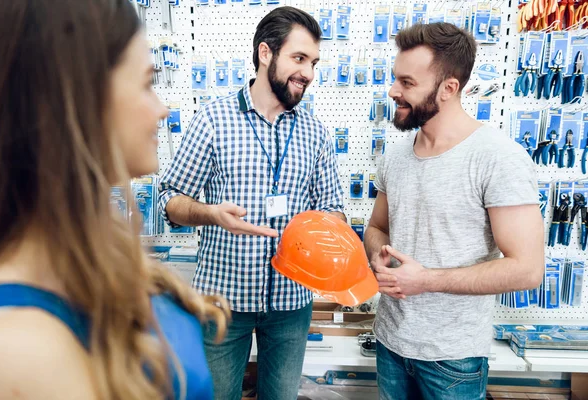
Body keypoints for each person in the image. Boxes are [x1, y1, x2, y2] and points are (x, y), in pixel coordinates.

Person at [0, 1, 228, 399]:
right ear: (80, 99)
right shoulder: (14, 347)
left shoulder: (93, 255)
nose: (162, 109)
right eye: (147, 83)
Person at [158, 6, 345, 400]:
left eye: (313, 62)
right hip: (224, 299)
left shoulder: (315, 133)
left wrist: (324, 235)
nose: (308, 73)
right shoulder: (213, 120)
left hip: (291, 302)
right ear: (265, 53)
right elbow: (170, 199)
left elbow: (333, 209)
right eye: (298, 58)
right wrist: (210, 214)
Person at [364, 22, 544, 400]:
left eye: (408, 83)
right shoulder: (395, 157)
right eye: (396, 79)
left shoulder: (498, 158)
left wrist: (425, 279)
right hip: (390, 345)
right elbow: (377, 227)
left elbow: (527, 270)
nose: (394, 91)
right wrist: (378, 255)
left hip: (453, 361)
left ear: (448, 88)